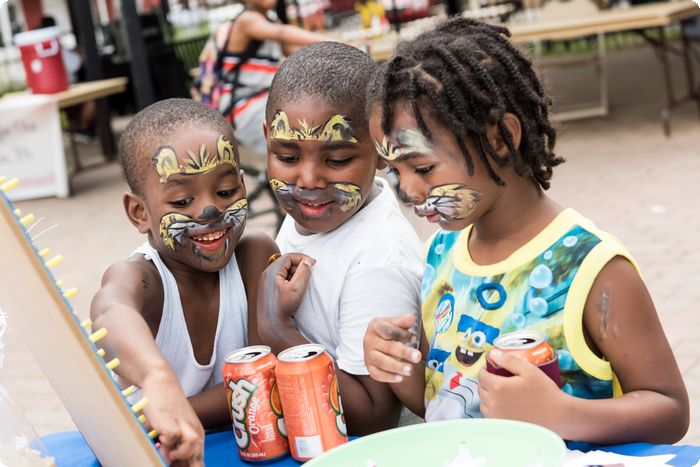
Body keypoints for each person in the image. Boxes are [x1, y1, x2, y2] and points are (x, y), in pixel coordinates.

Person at [362, 18, 689, 444]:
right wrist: (399, 366)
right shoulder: (440, 252)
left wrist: (564, 414)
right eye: (395, 171)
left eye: (422, 168)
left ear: (500, 138)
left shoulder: (591, 269)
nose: (407, 189)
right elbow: (441, 403)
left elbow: (671, 410)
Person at [90, 98, 278, 464]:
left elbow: (260, 384)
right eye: (181, 201)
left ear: (243, 184)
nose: (209, 212)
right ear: (139, 212)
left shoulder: (254, 255)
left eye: (226, 192)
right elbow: (109, 312)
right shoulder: (143, 278)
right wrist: (157, 379)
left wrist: (161, 416)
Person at [256, 42, 424, 436]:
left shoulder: (377, 261)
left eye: (337, 160)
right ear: (267, 139)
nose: (309, 179)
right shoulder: (318, 216)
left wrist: (277, 329)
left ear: (383, 148)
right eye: (287, 157)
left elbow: (376, 416)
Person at [200, 0, 326, 158]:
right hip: (246, 106)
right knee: (300, 151)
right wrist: (333, 44)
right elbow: (281, 32)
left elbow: (297, 55)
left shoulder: (270, 21)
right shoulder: (247, 20)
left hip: (265, 102)